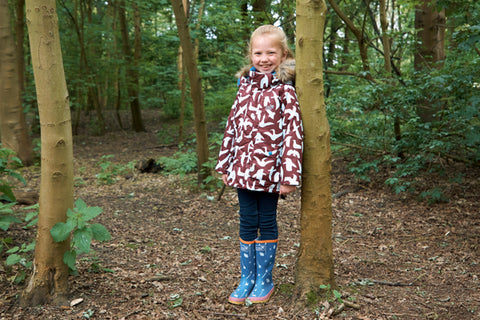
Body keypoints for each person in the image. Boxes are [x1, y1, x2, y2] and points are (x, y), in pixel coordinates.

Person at [215, 25, 303, 305]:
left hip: (270, 173)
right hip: (242, 170)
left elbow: (293, 134)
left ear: (283, 54)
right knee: (246, 220)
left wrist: (289, 176)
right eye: (258, 53)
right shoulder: (244, 88)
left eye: (270, 53)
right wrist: (225, 165)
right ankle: (246, 279)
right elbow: (232, 127)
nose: (264, 58)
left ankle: (265, 279)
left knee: (266, 221)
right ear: (250, 55)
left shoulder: (285, 91)